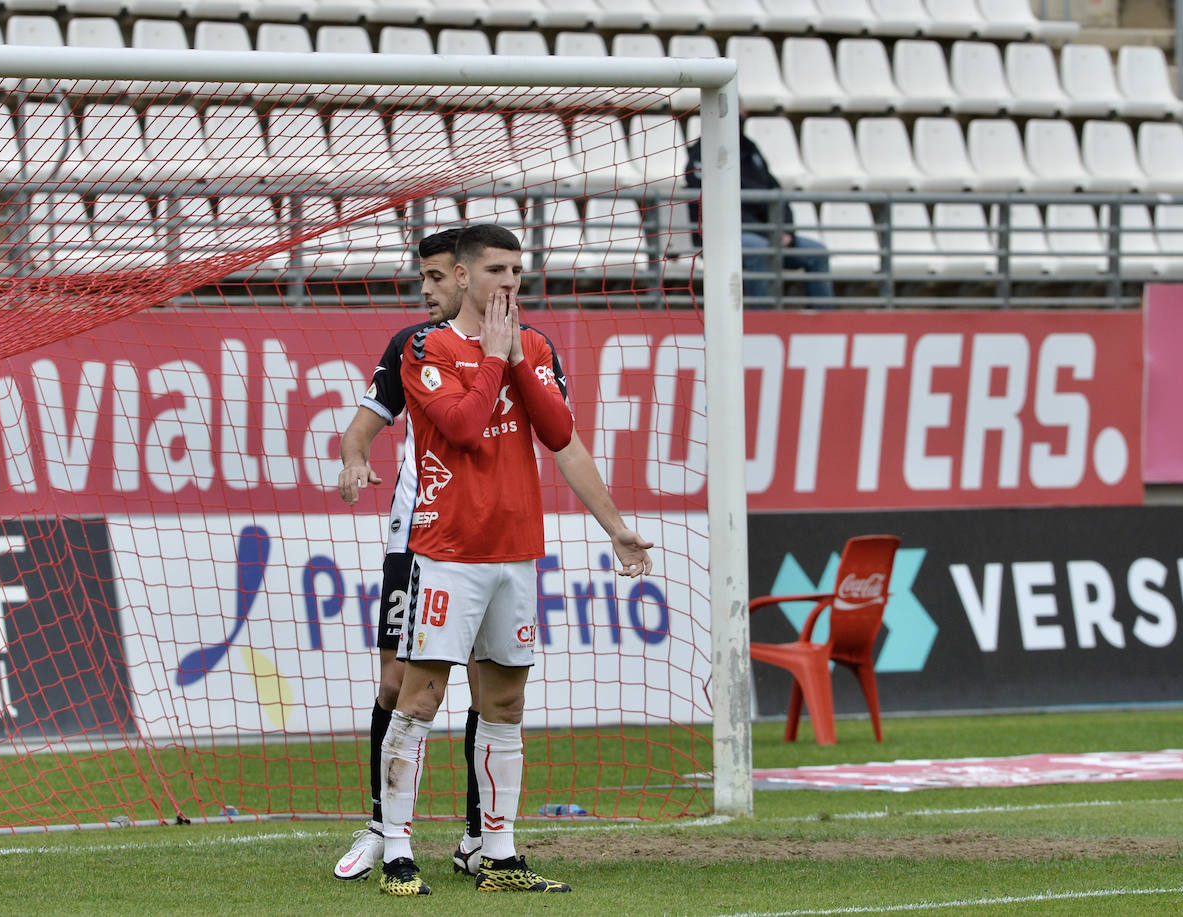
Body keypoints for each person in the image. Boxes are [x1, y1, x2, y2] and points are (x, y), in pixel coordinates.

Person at [334, 228, 653, 888]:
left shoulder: (534, 346)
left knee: (504, 704)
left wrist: (616, 526)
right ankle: (394, 846)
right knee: (416, 696)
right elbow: (463, 427)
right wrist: (494, 360)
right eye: (497, 269)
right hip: (445, 552)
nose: (511, 280)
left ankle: (497, 851)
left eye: (516, 268)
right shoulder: (422, 347)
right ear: (462, 275)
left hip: (516, 552)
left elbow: (561, 438)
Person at [683, 109, 833, 305]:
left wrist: (786, 230)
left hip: (769, 233)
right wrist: (769, 233)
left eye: (742, 110)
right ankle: (761, 318)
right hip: (723, 237)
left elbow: (776, 192)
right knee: (759, 249)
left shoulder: (750, 149)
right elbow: (717, 210)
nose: (742, 115)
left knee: (817, 253)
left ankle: (823, 319)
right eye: (737, 109)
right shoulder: (701, 155)